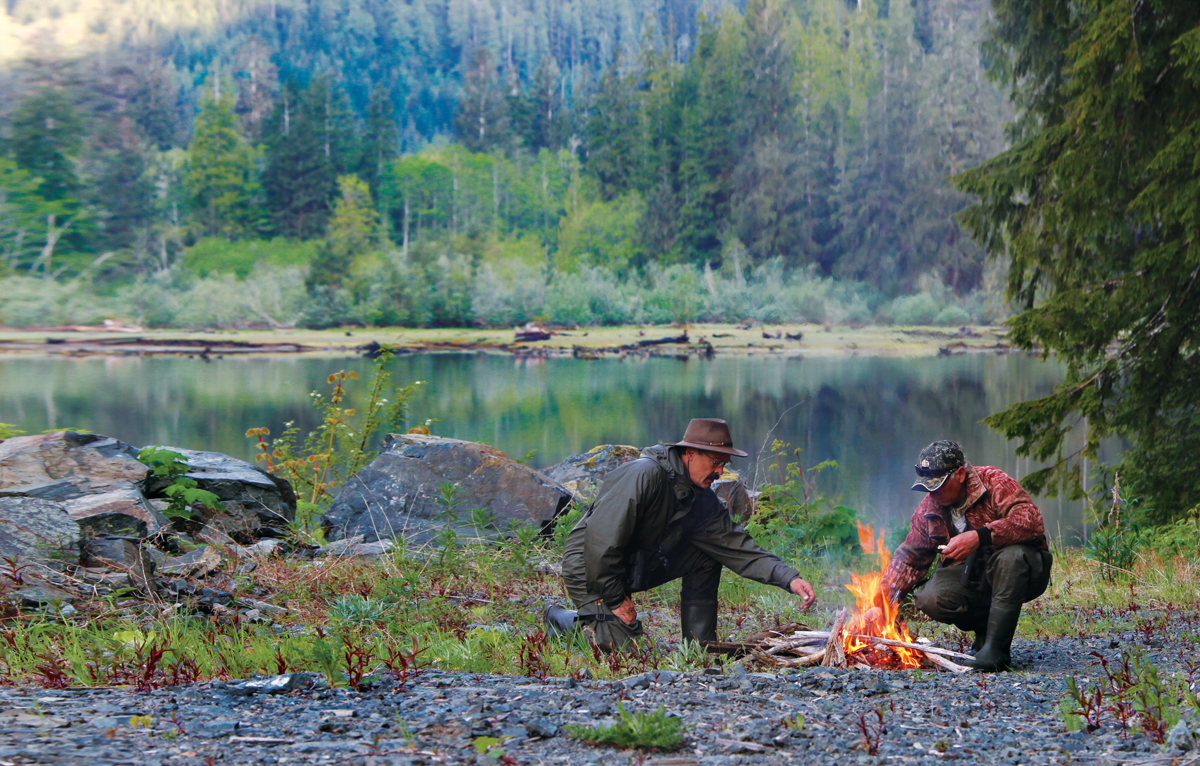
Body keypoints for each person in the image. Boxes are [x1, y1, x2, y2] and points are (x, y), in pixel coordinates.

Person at [544, 418, 816, 652]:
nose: (721, 471)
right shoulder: (644, 475)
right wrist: (615, 599)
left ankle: (700, 646)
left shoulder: (701, 497)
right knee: (623, 652)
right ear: (690, 454)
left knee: (705, 555)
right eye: (716, 462)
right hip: (589, 566)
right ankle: (562, 621)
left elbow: (737, 546)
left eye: (725, 463)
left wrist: (789, 579)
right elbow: (601, 542)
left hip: (631, 564)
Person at [877, 440, 1053, 671]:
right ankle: (985, 632)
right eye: (927, 486)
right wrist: (881, 602)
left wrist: (981, 536)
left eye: (938, 485)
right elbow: (910, 557)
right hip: (974, 575)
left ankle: (997, 650)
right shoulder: (930, 509)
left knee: (1011, 558)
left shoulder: (993, 481)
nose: (932, 492)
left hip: (1024, 570)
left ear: (960, 474)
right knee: (929, 597)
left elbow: (1031, 520)